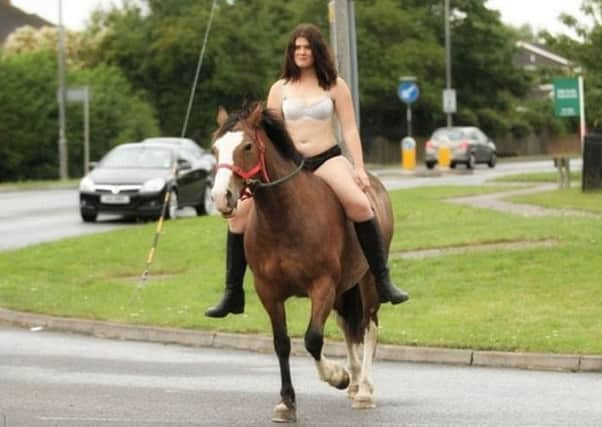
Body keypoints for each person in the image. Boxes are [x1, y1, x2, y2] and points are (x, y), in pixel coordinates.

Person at [205, 23, 409, 318]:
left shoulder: (335, 86)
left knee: (361, 205)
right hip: (292, 164)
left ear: (317, 51)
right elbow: (268, 132)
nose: (301, 53)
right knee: (237, 218)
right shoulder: (280, 88)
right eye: (296, 48)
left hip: (327, 159)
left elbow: (350, 129)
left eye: (307, 48)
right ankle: (232, 293)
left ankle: (383, 280)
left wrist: (360, 167)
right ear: (291, 53)